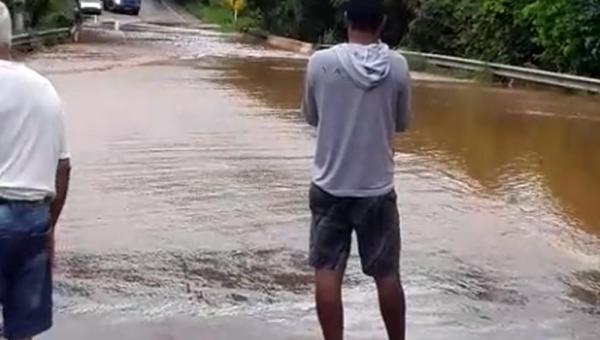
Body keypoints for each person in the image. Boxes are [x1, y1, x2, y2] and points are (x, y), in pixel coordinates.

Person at [302, 0, 411, 339]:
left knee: (327, 270)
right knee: (387, 274)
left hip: (329, 186)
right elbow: (402, 123)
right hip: (376, 190)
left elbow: (311, 117)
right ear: (381, 24)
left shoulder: (320, 63)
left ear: (346, 20)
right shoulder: (398, 66)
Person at [0, 3, 71, 339]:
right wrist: (49, 228)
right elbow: (63, 168)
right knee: (21, 330)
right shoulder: (44, 88)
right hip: (32, 221)